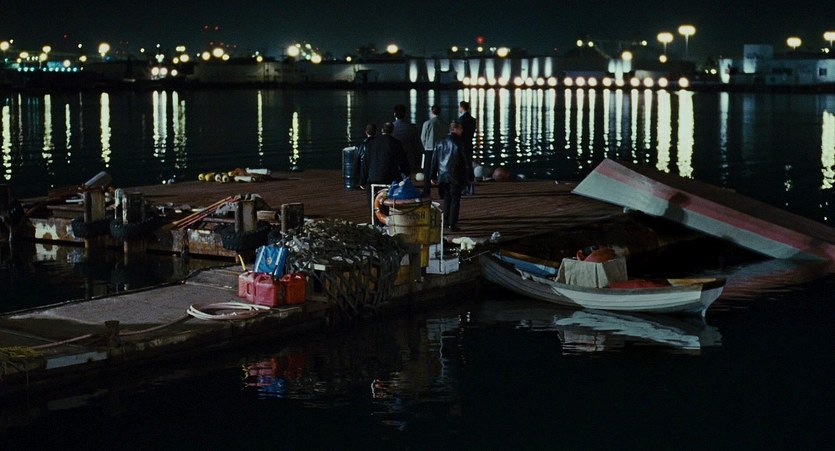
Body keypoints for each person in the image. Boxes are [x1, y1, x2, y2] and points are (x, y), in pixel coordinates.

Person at [363, 121, 411, 216]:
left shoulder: (371, 143)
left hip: (373, 177)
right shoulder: (396, 143)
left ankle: (375, 219)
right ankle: (388, 216)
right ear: (393, 131)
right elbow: (403, 161)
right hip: (390, 177)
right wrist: (406, 173)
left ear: (382, 130)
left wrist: (362, 180)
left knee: (372, 199)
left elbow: (366, 162)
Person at [430, 120, 469, 232]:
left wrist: (433, 175)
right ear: (455, 129)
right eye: (460, 128)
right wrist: (469, 176)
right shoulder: (459, 143)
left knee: (446, 199)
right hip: (455, 175)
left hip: (442, 175)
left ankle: (446, 222)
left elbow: (434, 160)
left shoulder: (439, 142)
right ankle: (453, 224)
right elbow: (465, 161)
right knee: (455, 200)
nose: (462, 130)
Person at [391, 104, 423, 182]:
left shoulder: (391, 128)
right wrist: (418, 164)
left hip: (394, 160)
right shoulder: (412, 128)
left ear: (394, 114)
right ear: (405, 114)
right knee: (407, 182)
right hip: (409, 160)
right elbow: (418, 147)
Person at [420, 105, 445, 196]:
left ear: (432, 112)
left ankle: (426, 191)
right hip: (441, 149)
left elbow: (423, 138)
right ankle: (442, 191)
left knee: (427, 171)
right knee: (441, 170)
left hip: (429, 149)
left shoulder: (427, 123)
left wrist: (424, 147)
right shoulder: (444, 123)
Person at [458, 100, 477, 195]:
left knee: (462, 166)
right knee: (469, 166)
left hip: (462, 146)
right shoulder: (473, 120)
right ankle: (471, 186)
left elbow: (459, 134)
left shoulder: (461, 120)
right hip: (469, 144)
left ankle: (464, 187)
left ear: (461, 107)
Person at [354, 123, 377, 189]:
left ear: (366, 132)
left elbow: (358, 161)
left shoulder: (363, 145)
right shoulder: (379, 144)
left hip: (365, 174)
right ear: (376, 132)